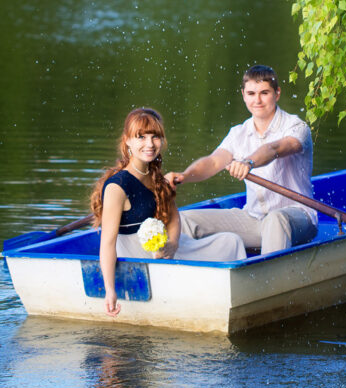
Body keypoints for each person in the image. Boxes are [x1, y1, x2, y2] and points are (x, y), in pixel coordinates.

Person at [90, 107, 245, 317]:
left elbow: (173, 218)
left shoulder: (157, 178)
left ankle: (231, 301)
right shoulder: (117, 187)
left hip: (163, 250)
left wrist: (172, 245)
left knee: (230, 241)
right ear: (127, 141)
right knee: (231, 243)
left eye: (155, 137)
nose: (149, 144)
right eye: (141, 137)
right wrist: (110, 290)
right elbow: (107, 242)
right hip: (136, 255)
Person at [166, 65, 317, 255]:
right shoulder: (238, 133)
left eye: (264, 93)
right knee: (185, 220)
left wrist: (248, 163)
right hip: (253, 218)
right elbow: (213, 162)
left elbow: (274, 148)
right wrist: (184, 176)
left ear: (277, 94)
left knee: (275, 220)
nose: (257, 100)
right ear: (243, 95)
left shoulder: (296, 126)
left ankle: (268, 280)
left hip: (298, 218)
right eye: (251, 93)